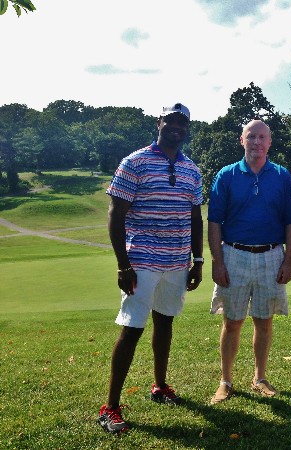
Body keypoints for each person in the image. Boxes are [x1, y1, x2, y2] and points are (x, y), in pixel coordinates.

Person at [97, 103, 204, 434]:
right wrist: (122, 264)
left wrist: (197, 260)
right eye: (170, 121)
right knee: (132, 329)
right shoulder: (135, 162)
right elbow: (116, 214)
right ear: (159, 122)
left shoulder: (191, 169)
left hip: (176, 262)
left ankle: (160, 386)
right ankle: (110, 407)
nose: (176, 128)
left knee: (165, 323)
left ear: (187, 128)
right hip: (141, 260)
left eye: (182, 123)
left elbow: (195, 217)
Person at [207, 119, 291, 404]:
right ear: (241, 140)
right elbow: (214, 222)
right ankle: (225, 381)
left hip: (271, 255)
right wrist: (217, 261)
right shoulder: (226, 175)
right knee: (232, 321)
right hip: (234, 254)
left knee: (264, 321)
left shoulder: (282, 175)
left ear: (270, 142)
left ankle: (259, 377)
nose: (257, 142)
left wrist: (289, 260)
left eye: (262, 137)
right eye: (251, 137)